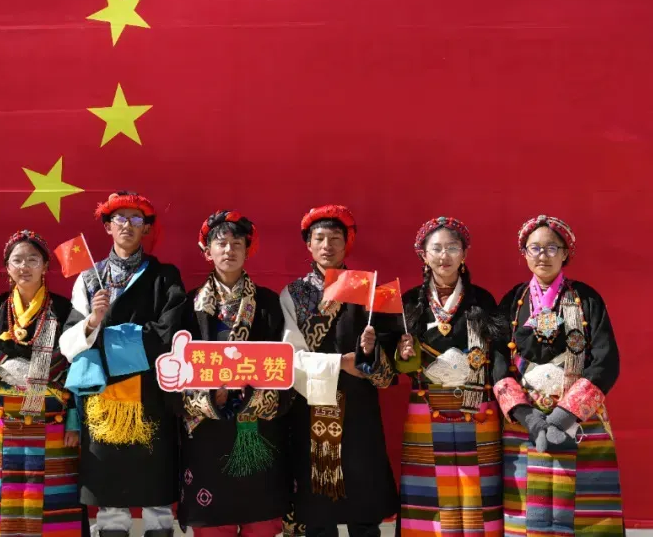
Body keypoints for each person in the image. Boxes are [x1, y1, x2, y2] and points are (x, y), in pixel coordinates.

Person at [59, 191, 187, 537]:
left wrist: (105, 339)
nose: (127, 225)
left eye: (136, 219)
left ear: (146, 228)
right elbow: (69, 344)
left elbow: (169, 334)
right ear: (107, 226)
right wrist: (91, 322)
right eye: (120, 218)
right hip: (103, 400)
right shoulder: (89, 278)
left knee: (156, 496)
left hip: (151, 397)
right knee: (110, 496)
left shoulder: (165, 277)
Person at [494, 215, 624, 535]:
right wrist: (529, 417)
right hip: (526, 424)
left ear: (565, 253)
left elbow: (606, 360)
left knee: (585, 515)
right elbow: (497, 362)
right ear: (524, 253)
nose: (543, 255)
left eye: (552, 248)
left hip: (579, 420)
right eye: (535, 248)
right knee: (527, 514)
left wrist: (564, 416)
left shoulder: (586, 299)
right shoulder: (512, 302)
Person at [279, 205, 399, 537]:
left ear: (347, 244)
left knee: (364, 508)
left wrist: (372, 354)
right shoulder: (294, 294)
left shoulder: (368, 288)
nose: (327, 246)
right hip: (311, 407)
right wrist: (339, 363)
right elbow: (289, 357)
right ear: (308, 244)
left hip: (359, 409)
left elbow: (390, 355)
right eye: (319, 238)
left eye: (335, 238)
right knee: (318, 513)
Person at [171, 211, 292, 537]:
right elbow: (174, 371)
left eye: (237, 243)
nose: (229, 250)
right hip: (207, 436)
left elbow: (286, 368)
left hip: (259, 433)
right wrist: (212, 397)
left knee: (261, 525)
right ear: (207, 251)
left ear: (247, 250)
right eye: (221, 243)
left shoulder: (268, 304)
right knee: (213, 527)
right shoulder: (188, 306)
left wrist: (248, 395)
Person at [0, 230, 87, 537]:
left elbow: (77, 366)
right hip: (1, 419)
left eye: (33, 259)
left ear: (45, 266)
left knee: (50, 499)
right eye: (17, 260)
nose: (24, 266)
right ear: (7, 267)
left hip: (51, 419)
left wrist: (74, 420)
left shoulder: (64, 308)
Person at [394, 217, 504, 536]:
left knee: (478, 491)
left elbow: (499, 355)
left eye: (452, 248)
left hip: (476, 406)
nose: (444, 256)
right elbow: (398, 368)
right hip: (426, 405)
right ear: (424, 255)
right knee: (428, 491)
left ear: (464, 254)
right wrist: (403, 354)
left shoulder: (482, 300)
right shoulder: (409, 303)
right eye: (437, 248)